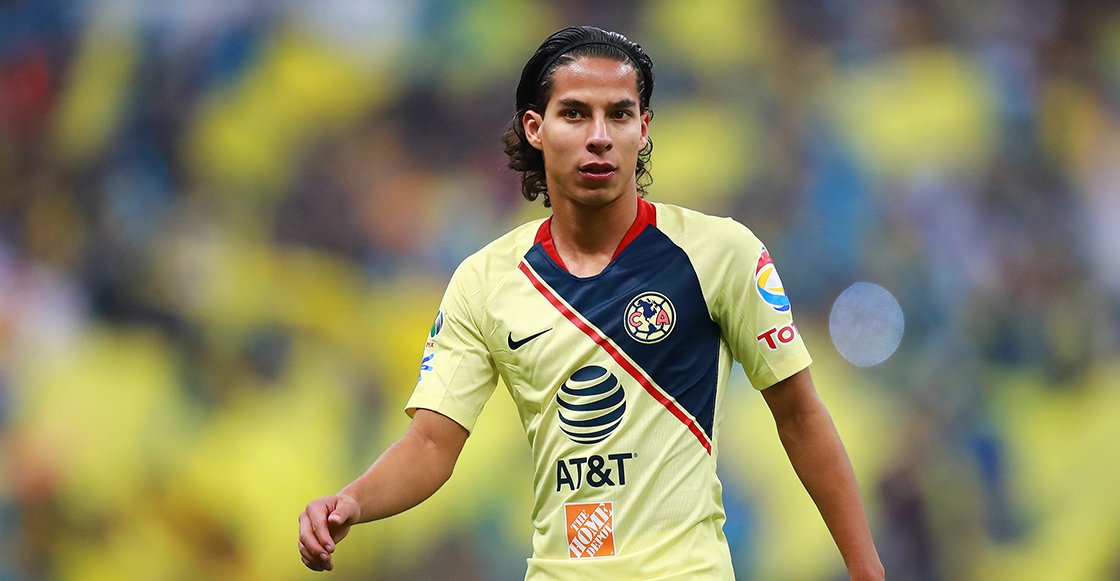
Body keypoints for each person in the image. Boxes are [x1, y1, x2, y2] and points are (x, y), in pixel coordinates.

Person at [298, 25, 885, 581]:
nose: (599, 135)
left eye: (620, 114)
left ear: (644, 128)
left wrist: (865, 568)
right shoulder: (485, 281)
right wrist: (352, 501)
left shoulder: (719, 253)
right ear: (535, 128)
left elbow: (799, 414)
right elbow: (431, 443)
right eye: (575, 113)